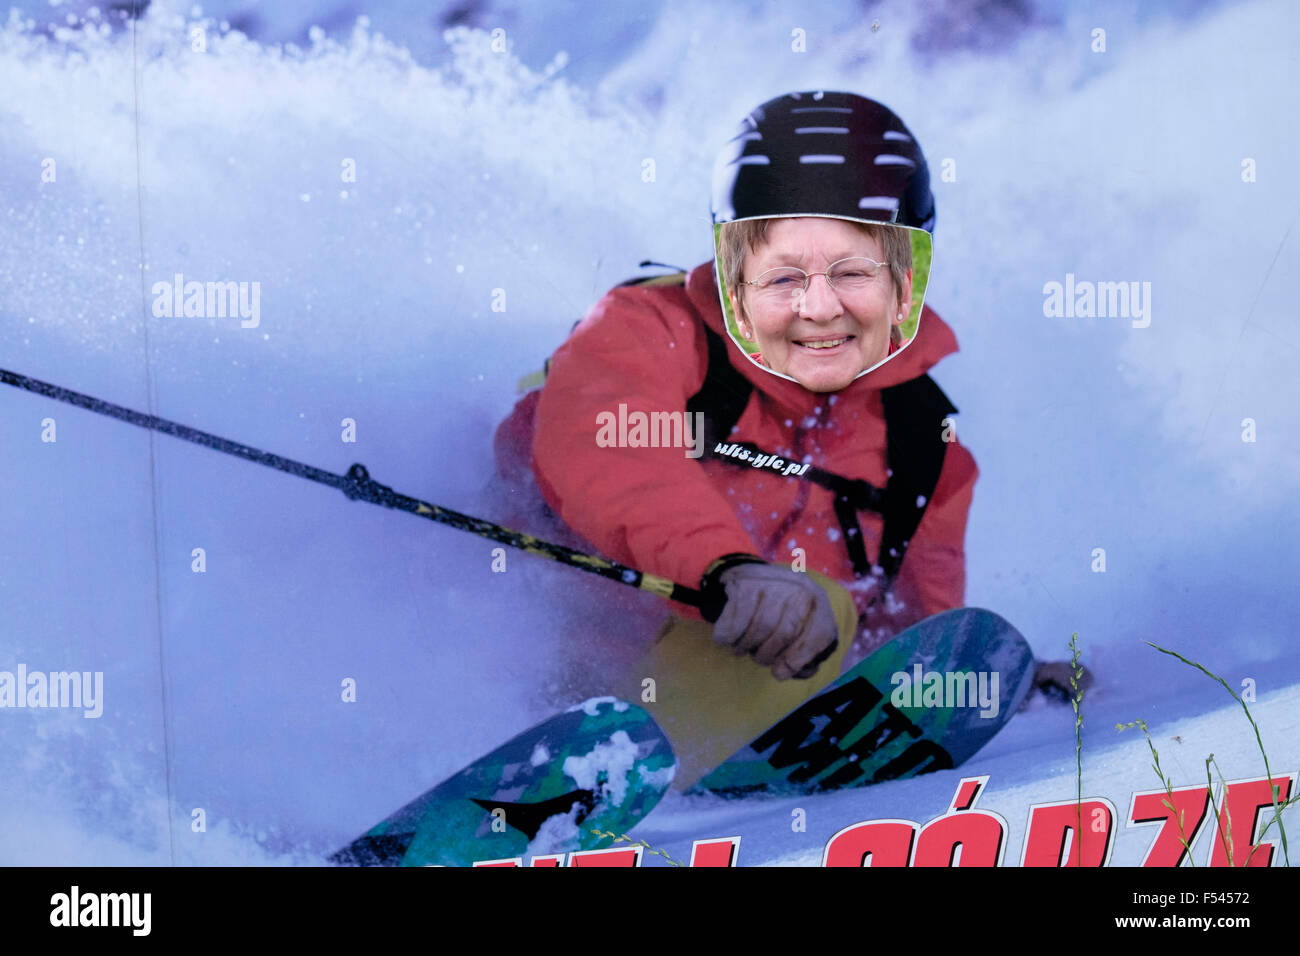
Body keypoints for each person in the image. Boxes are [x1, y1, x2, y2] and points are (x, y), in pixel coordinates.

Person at [494, 90, 984, 686]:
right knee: (816, 604)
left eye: (856, 272)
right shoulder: (646, 333)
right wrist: (725, 566)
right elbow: (613, 451)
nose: (820, 308)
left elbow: (911, 620)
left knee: (825, 607)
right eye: (783, 275)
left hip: (742, 688)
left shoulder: (918, 434)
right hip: (552, 652)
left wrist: (974, 668)